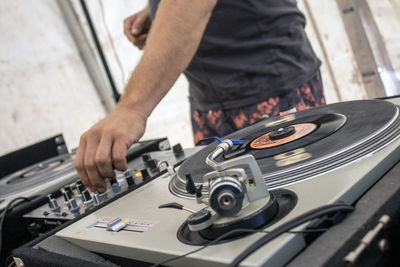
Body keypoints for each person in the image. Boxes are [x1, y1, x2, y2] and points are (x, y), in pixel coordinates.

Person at [75, 0, 325, 193]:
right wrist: (156, 10)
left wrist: (130, 109)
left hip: (269, 90)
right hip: (209, 101)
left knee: (298, 201)